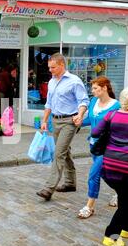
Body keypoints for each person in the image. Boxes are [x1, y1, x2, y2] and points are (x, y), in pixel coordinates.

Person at [91, 86, 128, 246]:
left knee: (127, 198)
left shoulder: (111, 115)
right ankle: (111, 236)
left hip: (110, 168)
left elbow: (95, 133)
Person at [36, 53, 89, 201]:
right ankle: (70, 183)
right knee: (65, 151)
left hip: (69, 122)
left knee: (58, 153)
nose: (50, 70)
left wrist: (80, 115)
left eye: (53, 67)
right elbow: (49, 104)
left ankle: (48, 188)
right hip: (55, 121)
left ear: (61, 65)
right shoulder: (52, 81)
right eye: (49, 67)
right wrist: (45, 120)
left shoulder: (74, 81)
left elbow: (84, 101)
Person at [77, 76, 120, 219]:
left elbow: (118, 126)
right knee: (106, 174)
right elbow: (91, 119)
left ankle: (89, 206)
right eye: (92, 88)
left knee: (94, 174)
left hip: (107, 147)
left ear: (104, 88)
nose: (92, 91)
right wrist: (79, 122)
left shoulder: (116, 106)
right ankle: (122, 193)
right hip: (94, 145)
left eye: (95, 88)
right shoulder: (94, 101)